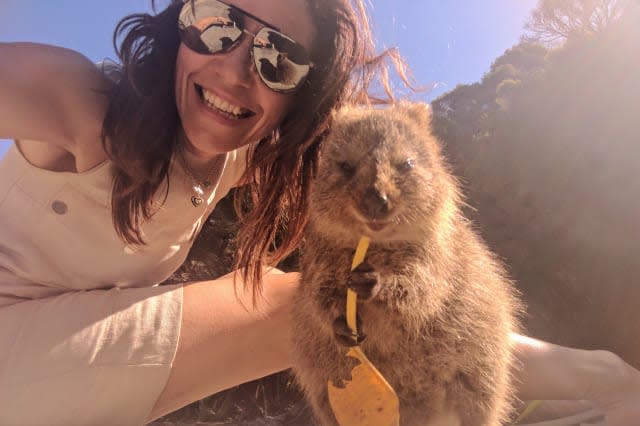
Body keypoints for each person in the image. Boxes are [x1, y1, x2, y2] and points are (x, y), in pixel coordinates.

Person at [0, 0, 638, 425]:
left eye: (278, 58)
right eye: (218, 24)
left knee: (324, 303)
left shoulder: (245, 152)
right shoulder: (80, 99)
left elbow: (378, 145)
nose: (233, 68)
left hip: (63, 334)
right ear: (182, 25)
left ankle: (600, 379)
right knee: (305, 312)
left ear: (298, 94)